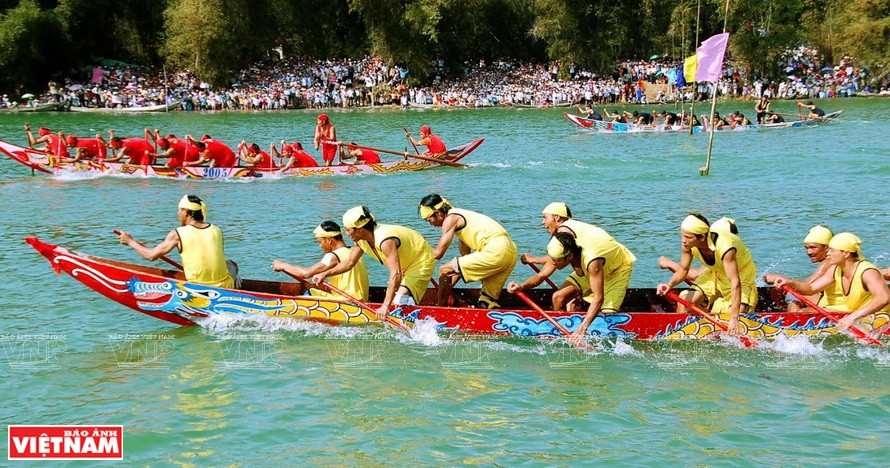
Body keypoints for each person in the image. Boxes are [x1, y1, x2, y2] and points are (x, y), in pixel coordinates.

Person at [508, 202, 636, 346]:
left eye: (545, 217)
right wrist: (521, 287)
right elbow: (541, 276)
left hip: (616, 269)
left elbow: (599, 297)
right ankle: (562, 330)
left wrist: (583, 328)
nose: (542, 222)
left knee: (606, 316)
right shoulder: (563, 244)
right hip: (588, 267)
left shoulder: (583, 251)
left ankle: (584, 328)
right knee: (558, 296)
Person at [313, 206, 435, 320]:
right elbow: (349, 263)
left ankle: (418, 324)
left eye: (348, 230)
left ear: (359, 229)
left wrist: (385, 306)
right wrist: (325, 274)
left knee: (398, 299)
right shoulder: (361, 240)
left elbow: (396, 273)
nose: (346, 234)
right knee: (393, 298)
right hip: (406, 262)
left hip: (421, 260)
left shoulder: (385, 240)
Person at [656, 214, 758, 335]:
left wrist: (734, 318)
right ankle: (687, 333)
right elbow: (683, 270)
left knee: (736, 314)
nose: (683, 240)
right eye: (682, 235)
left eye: (688, 237)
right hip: (714, 273)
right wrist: (670, 285)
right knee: (685, 304)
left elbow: (735, 282)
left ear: (703, 237)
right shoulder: (688, 245)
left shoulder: (725, 247)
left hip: (741, 278)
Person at [771, 233, 890, 331]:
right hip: (849, 311)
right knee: (802, 313)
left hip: (877, 317)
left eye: (832, 250)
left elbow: (884, 297)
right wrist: (789, 282)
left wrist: (853, 317)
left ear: (846, 253)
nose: (828, 253)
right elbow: (810, 288)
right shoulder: (835, 269)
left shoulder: (867, 272)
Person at [419, 194, 518, 308]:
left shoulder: (451, 219)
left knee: (444, 269)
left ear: (438, 213)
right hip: (510, 252)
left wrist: (418, 249)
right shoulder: (463, 220)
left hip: (496, 251)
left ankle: (440, 310)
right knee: (486, 302)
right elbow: (464, 260)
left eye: (429, 220)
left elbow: (438, 253)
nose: (431, 224)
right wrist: (449, 286)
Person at [116, 195, 235, 288]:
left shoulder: (177, 234)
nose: (178, 214)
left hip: (200, 288)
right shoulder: (216, 229)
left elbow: (151, 255)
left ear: (186, 212)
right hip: (226, 285)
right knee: (231, 265)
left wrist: (130, 241)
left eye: (179, 211)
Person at [272, 221, 369, 301]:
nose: (320, 246)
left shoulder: (333, 256)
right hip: (360, 300)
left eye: (320, 242)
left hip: (347, 302)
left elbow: (306, 273)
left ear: (328, 240)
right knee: (313, 289)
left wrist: (282, 265)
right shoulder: (354, 251)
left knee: (307, 293)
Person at [763, 225, 843, 312]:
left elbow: (807, 287)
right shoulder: (831, 261)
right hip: (829, 300)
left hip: (836, 305)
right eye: (806, 248)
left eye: (813, 247)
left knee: (794, 294)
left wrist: (779, 278)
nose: (808, 252)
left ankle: (792, 320)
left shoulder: (827, 263)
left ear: (827, 247)